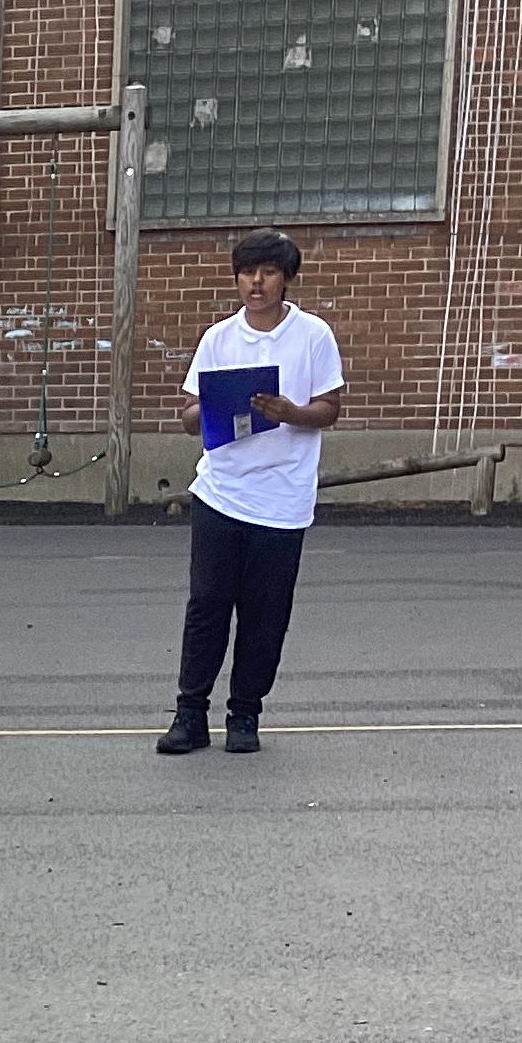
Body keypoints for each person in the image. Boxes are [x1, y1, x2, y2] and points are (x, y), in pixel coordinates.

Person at [158, 229, 344, 757]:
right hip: (221, 491)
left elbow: (330, 408)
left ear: (286, 278)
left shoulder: (313, 335)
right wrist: (210, 409)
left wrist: (291, 413)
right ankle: (190, 714)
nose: (255, 283)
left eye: (267, 272)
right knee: (207, 605)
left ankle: (245, 714)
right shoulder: (219, 338)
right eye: (246, 273)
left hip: (283, 497)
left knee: (265, 611)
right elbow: (189, 416)